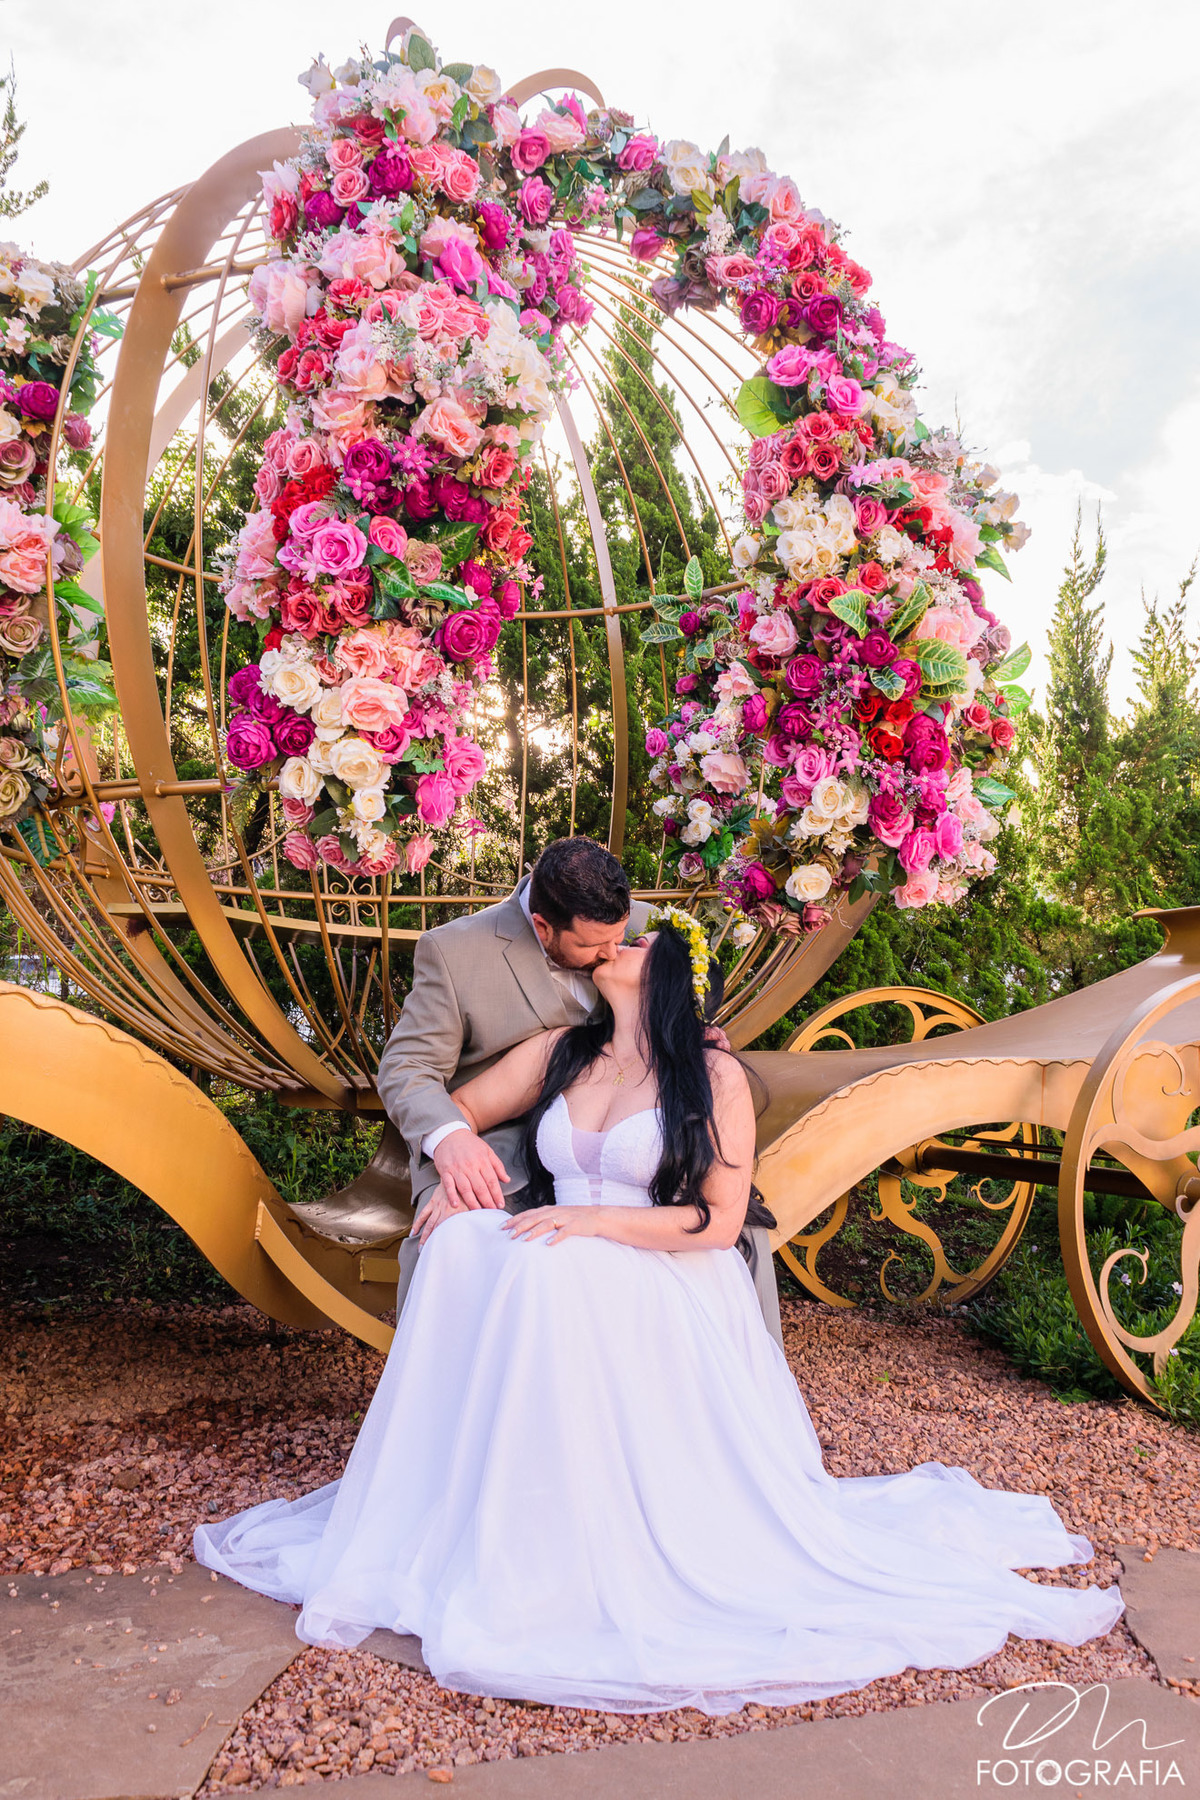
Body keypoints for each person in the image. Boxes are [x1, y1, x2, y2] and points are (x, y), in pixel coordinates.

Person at [195, 911, 1124, 1716]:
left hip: (661, 1266)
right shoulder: (563, 1052)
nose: (621, 943)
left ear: (674, 974)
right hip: (566, 1248)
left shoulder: (710, 1081)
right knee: (467, 1248)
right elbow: (457, 1111)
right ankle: (457, 1508)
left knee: (550, 1267)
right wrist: (450, 1176)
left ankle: (568, 1547)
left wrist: (591, 1219)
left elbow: (717, 1224)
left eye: (640, 941)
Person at [375, 834, 783, 1345]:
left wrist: (694, 1037)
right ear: (543, 926)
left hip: (639, 1142)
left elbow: (680, 996)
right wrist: (452, 1141)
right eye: (593, 947)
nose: (613, 951)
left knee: (743, 1231)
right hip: (496, 1149)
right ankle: (441, 1387)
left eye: (624, 940)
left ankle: (747, 1363)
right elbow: (408, 1066)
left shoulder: (636, 929)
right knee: (441, 1242)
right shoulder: (454, 951)